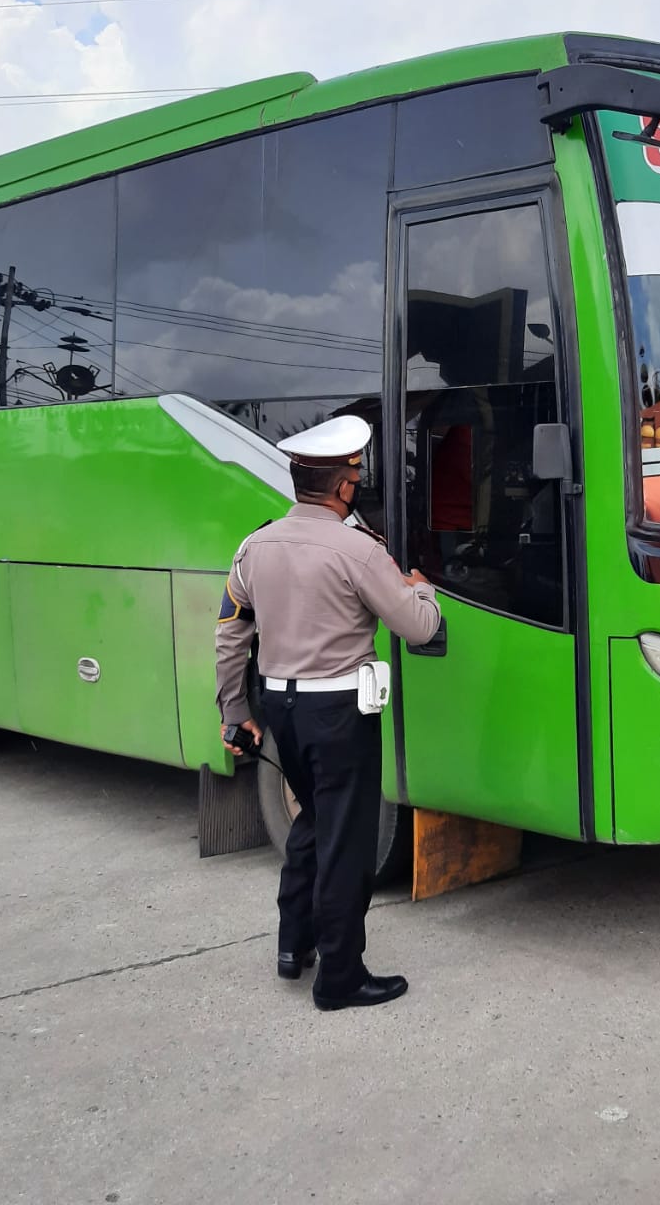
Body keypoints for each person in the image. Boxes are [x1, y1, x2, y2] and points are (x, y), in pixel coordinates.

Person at [214, 414, 441, 1011]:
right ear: (343, 486)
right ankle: (340, 977)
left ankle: (295, 946)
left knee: (312, 822)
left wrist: (234, 710)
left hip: (279, 708)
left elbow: (231, 634)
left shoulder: (253, 546)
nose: (357, 484)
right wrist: (423, 589)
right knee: (345, 838)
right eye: (355, 475)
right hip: (338, 712)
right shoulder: (358, 549)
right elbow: (417, 628)